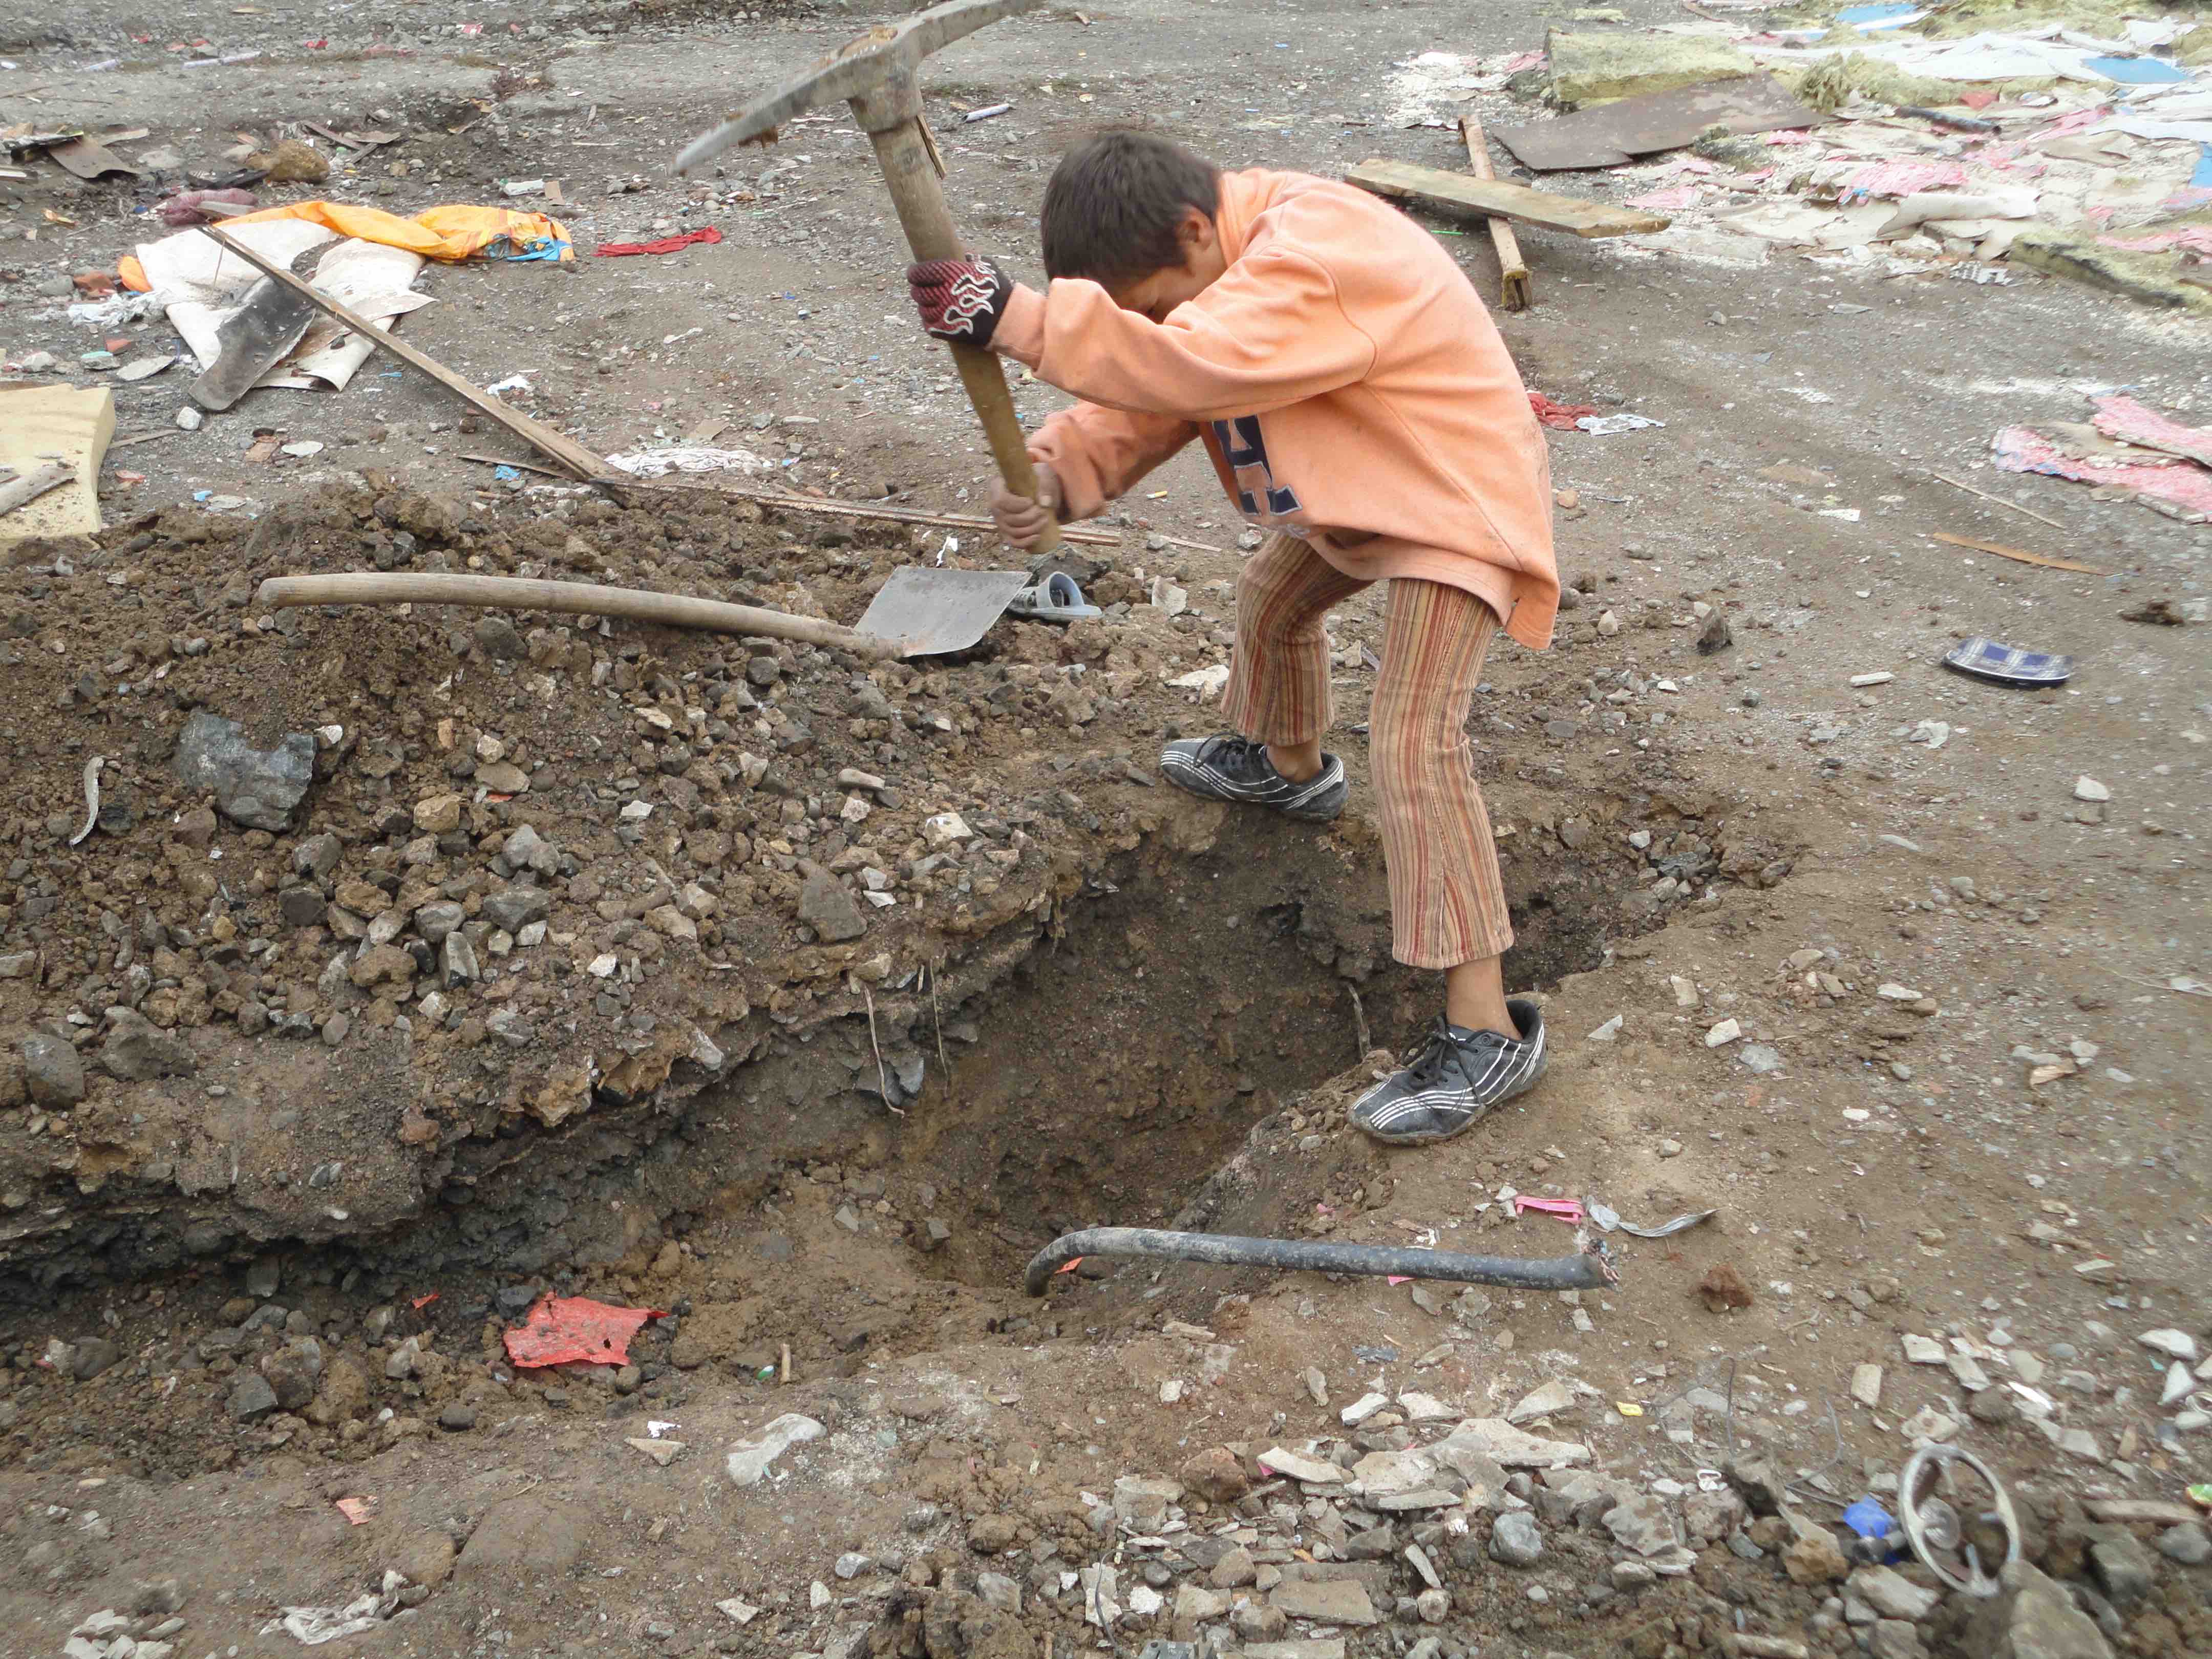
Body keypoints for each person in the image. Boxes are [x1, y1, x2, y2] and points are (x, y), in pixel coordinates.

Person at [905, 131, 1559, 1147]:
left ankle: (1486, 1030)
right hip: (1363, 491)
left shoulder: (1319, 246)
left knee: (1416, 740)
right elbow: (1159, 395)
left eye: (1159, 304)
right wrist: (1055, 475)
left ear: (1199, 230)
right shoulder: (1217, 278)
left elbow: (1189, 360)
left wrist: (1023, 322)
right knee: (1272, 602)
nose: (1159, 327)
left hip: (1454, 504)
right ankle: (1290, 766)